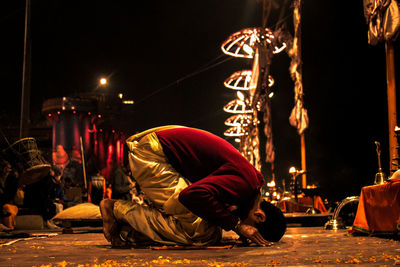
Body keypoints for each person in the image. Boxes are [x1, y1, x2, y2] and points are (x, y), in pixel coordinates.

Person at [100, 126, 286, 247]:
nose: (243, 238)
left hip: (159, 150)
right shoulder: (245, 185)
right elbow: (190, 195)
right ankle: (116, 209)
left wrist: (230, 221)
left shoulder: (252, 184)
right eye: (251, 233)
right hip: (152, 154)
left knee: (208, 229)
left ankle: (127, 230)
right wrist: (237, 225)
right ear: (259, 216)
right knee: (201, 232)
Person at [0, 159, 19, 231]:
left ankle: (8, 225)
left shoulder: (12, 178)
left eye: (9, 168)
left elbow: (11, 194)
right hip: (2, 200)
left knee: (7, 208)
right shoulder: (1, 178)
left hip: (8, 201)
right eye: (7, 168)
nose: (9, 170)